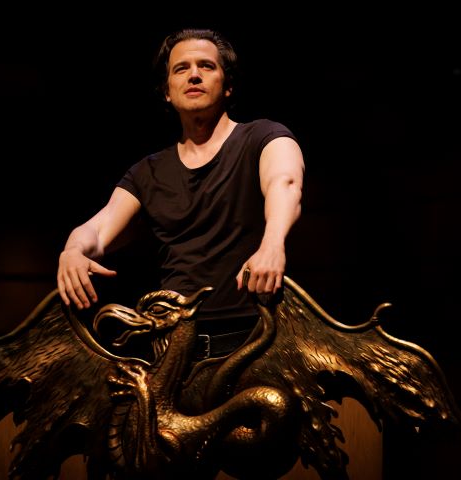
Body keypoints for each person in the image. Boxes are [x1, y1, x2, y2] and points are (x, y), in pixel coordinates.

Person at [57, 28, 304, 358]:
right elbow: (98, 229)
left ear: (227, 85)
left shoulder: (264, 137)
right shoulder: (148, 172)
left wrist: (272, 245)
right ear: (167, 91)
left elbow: (285, 183)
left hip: (254, 340)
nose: (194, 75)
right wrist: (72, 250)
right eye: (181, 68)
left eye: (206, 66)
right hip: (174, 345)